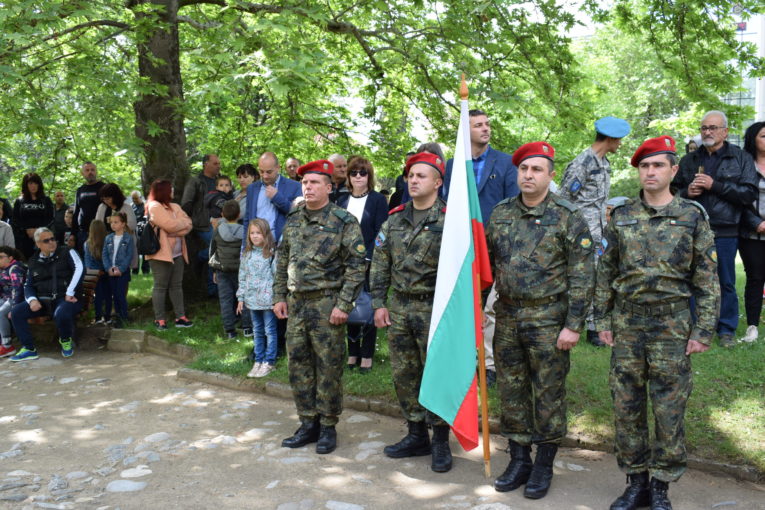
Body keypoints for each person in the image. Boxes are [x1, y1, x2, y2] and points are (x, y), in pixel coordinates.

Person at [594, 136, 719, 510]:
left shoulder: (691, 216)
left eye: (658, 165)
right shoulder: (622, 216)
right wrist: (602, 319)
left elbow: (707, 277)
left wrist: (703, 330)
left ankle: (662, 486)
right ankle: (636, 483)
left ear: (673, 170)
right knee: (626, 405)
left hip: (672, 326)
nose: (650, 171)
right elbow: (606, 271)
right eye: (644, 166)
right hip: (628, 324)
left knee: (669, 407)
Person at [486, 142, 594, 500]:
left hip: (549, 318)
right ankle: (519, 459)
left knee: (548, 392)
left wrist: (573, 325)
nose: (528, 175)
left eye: (536, 170)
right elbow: (485, 264)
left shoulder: (567, 215)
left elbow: (582, 274)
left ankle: (544, 463)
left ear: (550, 175)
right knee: (512, 390)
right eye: (523, 169)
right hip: (508, 315)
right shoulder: (501, 213)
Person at [273, 159, 366, 455]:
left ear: (329, 187)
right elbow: (283, 259)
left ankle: (328, 425)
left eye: (314, 182)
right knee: (298, 365)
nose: (308, 187)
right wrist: (279, 297)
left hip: (327, 304)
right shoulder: (295, 217)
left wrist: (344, 304)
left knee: (328, 367)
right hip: (297, 304)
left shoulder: (343, 220)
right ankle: (307, 422)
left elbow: (356, 265)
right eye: (305, 183)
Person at [370, 152, 454, 473]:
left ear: (437, 181)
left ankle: (441, 441)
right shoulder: (394, 219)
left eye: (421, 175)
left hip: (436, 308)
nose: (414, 180)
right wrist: (378, 302)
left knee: (437, 374)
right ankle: (416, 434)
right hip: (400, 308)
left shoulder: (450, 220)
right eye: (410, 176)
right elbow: (380, 264)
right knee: (405, 374)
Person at [444, 110, 520, 386]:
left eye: (487, 124)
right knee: (465, 305)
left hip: (494, 246)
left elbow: (512, 203)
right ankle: (462, 359)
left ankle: (487, 365)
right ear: (466, 132)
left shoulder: (506, 162)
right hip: (461, 247)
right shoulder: (453, 164)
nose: (486, 129)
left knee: (490, 308)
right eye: (478, 125)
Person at [672, 110, 757, 347]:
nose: (707, 132)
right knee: (690, 279)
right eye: (704, 128)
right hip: (691, 228)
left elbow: (748, 194)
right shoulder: (688, 160)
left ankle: (726, 328)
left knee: (725, 280)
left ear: (725, 131)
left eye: (713, 128)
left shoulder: (741, 158)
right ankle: (694, 326)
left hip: (726, 229)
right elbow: (671, 194)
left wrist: (715, 185)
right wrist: (686, 193)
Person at [558, 116, 631, 347]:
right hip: (581, 232)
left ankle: (593, 326)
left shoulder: (603, 163)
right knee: (582, 278)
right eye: (618, 140)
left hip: (598, 230)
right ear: (609, 138)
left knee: (598, 277)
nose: (620, 144)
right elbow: (563, 200)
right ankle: (580, 325)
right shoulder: (583, 164)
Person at [243, 152, 302, 353]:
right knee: (260, 297)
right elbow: (247, 220)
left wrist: (277, 198)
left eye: (269, 171)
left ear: (278, 168)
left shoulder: (293, 187)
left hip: (282, 250)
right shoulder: (252, 189)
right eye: (261, 171)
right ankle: (262, 347)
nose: (265, 175)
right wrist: (246, 248)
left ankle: (279, 344)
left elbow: (297, 215)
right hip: (258, 252)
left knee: (280, 297)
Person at [337, 156, 389, 373]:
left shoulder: (377, 200)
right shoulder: (341, 201)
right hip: (345, 264)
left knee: (367, 306)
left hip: (369, 262)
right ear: (348, 176)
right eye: (354, 173)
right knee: (348, 305)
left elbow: (382, 232)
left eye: (363, 172)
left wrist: (369, 258)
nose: (358, 176)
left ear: (369, 176)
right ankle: (353, 353)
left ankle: (366, 355)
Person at [10, 227, 84, 361]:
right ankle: (28, 348)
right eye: (46, 241)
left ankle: (66, 340)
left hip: (66, 299)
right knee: (16, 312)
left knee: (61, 313)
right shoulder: (33, 261)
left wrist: (70, 292)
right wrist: (32, 300)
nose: (51, 242)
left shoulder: (67, 252)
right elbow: (28, 285)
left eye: (53, 239)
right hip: (43, 301)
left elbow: (80, 268)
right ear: (38, 244)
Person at [146, 179, 194, 330]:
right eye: (170, 189)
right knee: (160, 287)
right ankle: (159, 319)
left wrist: (175, 229)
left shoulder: (175, 206)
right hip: (160, 255)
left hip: (178, 253)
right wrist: (178, 226)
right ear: (163, 191)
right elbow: (169, 225)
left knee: (176, 286)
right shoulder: (154, 206)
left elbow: (189, 224)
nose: (173, 191)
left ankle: (180, 317)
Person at [237, 218, 278, 378]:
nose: (255, 236)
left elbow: (277, 277)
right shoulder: (247, 254)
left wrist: (277, 299)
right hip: (252, 301)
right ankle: (258, 360)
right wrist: (241, 298)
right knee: (257, 331)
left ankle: (269, 361)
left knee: (270, 331)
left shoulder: (271, 254)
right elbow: (242, 276)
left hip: (268, 301)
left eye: (258, 233)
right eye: (252, 233)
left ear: (265, 234)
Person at [739, 121, 765, 343]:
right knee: (756, 278)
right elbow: (739, 199)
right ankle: (752, 326)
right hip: (752, 233)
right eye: (764, 136)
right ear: (753, 140)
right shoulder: (744, 164)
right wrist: (756, 222)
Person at [181, 153, 220, 297]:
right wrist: (189, 223)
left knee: (219, 250)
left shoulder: (220, 181)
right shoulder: (196, 181)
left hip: (220, 223)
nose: (218, 166)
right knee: (216, 248)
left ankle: (203, 258)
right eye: (215, 163)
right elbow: (186, 203)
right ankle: (212, 289)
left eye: (219, 163)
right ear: (206, 164)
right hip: (202, 224)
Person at [209, 200, 244, 339]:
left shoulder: (218, 230)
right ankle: (247, 326)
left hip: (222, 270)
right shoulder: (245, 231)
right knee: (244, 297)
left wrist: (213, 270)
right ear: (239, 214)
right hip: (240, 270)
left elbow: (212, 250)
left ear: (222, 214)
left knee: (225, 300)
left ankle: (230, 330)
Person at [96, 184, 138, 274]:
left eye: (108, 198)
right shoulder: (102, 207)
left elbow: (132, 225)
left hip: (123, 246)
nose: (106, 201)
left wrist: (117, 224)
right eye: (104, 199)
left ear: (115, 196)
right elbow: (97, 224)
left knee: (122, 274)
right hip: (106, 245)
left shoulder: (126, 207)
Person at [12, 173, 55, 259]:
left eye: (36, 183)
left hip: (43, 238)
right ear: (26, 185)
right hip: (24, 238)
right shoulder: (19, 201)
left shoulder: (46, 200)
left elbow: (51, 218)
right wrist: (26, 230)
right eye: (30, 183)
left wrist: (38, 230)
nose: (33, 186)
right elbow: (15, 219)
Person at [102, 212, 134, 329]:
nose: (113, 225)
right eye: (111, 222)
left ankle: (124, 317)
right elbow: (104, 255)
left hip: (122, 272)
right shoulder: (108, 238)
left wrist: (120, 269)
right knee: (114, 295)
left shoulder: (128, 238)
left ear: (123, 224)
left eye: (116, 222)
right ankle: (117, 316)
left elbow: (129, 256)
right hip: (111, 271)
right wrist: (108, 268)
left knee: (121, 295)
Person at [72, 161, 105, 254]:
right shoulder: (80, 190)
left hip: (99, 232)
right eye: (87, 170)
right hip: (83, 232)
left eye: (92, 170)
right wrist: (73, 233)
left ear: (96, 172)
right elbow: (76, 212)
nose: (90, 172)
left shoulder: (104, 187)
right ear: (82, 173)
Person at [0, 247, 26, 358]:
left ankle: (7, 346)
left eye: (1, 257)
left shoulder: (15, 268)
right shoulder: (2, 269)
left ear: (10, 258)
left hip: (17, 300)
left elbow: (18, 290)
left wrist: (14, 307)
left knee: (0, 313)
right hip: (5, 299)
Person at [83, 220, 110, 325]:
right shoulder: (108, 241)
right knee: (108, 295)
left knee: (98, 296)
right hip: (106, 272)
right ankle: (108, 317)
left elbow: (87, 262)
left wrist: (90, 272)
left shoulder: (87, 244)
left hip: (95, 274)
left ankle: (98, 317)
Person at [131, 191, 150, 275]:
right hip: (134, 231)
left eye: (136, 198)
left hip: (145, 230)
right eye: (133, 198)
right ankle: (135, 270)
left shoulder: (146, 206)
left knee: (145, 250)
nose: (134, 200)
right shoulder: (131, 206)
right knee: (135, 251)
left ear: (141, 197)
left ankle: (145, 270)